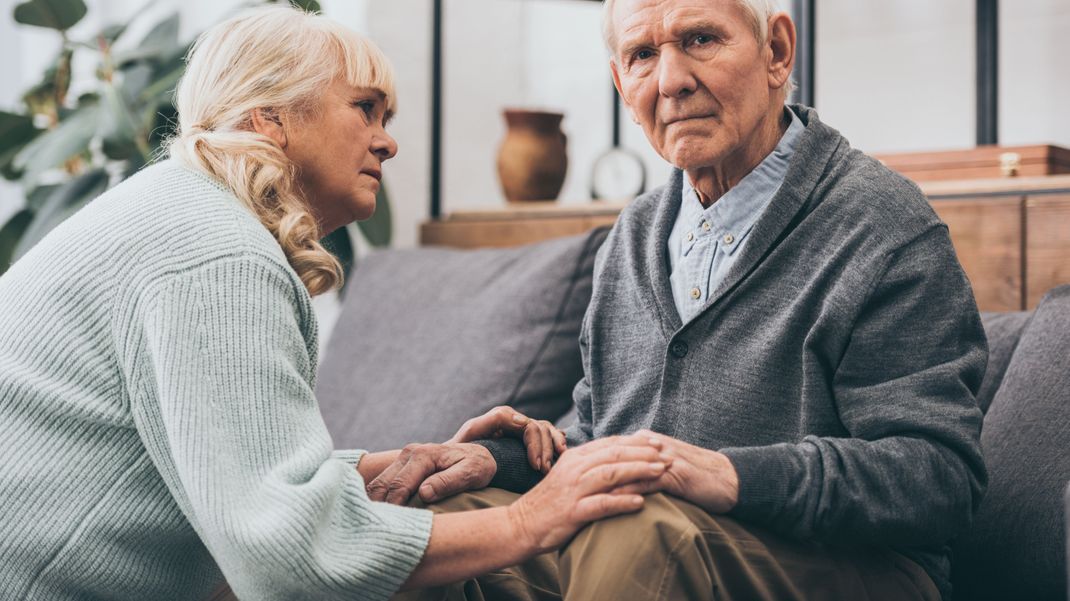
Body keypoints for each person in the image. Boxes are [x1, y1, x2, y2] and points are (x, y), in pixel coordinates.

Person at [0, 6, 671, 601]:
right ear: (270, 118)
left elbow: (228, 466)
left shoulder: (183, 214)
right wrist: (530, 519)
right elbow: (286, 557)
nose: (388, 141)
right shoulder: (216, 251)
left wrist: (389, 462)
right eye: (365, 109)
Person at [388, 0, 988, 599]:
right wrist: (506, 460)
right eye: (643, 54)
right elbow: (608, 437)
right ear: (622, 83)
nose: (672, 81)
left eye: (700, 39)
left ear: (776, 52)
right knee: (435, 525)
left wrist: (728, 474)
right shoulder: (635, 232)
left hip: (848, 567)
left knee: (641, 529)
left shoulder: (884, 224)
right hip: (641, 545)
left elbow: (938, 478)